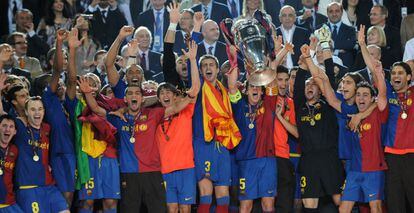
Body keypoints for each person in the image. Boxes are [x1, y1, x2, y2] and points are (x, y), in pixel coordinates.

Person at [294, 31, 343, 212]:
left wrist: (324, 46)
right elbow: (299, 82)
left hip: (330, 158)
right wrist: (309, 53)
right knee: (309, 203)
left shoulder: (328, 105)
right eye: (307, 85)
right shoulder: (300, 105)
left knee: (340, 200)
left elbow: (327, 76)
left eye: (313, 84)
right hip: (309, 160)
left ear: (321, 90)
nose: (309, 87)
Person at [156, 40, 201, 213]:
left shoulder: (186, 110)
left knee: (185, 208)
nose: (166, 95)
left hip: (186, 168)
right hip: (165, 169)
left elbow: (195, 88)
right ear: (159, 99)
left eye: (169, 92)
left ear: (176, 96)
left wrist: (192, 61)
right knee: (171, 208)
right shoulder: (155, 116)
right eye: (162, 93)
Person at [13, 96, 69, 212]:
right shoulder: (19, 126)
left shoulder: (47, 128)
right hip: (28, 188)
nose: (37, 112)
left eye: (40, 109)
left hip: (49, 186)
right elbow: (2, 114)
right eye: (33, 109)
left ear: (44, 111)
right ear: (26, 112)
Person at [383, 61, 414, 212]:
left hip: (412, 154)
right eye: (393, 73)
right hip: (391, 155)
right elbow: (374, 71)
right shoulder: (388, 94)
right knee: (395, 202)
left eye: (400, 73)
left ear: (409, 77)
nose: (396, 75)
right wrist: (362, 45)